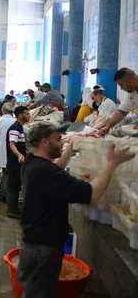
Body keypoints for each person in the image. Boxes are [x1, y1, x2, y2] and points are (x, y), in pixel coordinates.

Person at [17, 122, 135, 297]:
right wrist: (112, 163)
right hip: (43, 253)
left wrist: (71, 147)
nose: (62, 142)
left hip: (33, 247)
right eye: (58, 140)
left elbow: (55, 168)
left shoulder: (31, 163)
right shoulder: (48, 173)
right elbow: (92, 194)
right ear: (45, 142)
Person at [5, 106, 29, 219]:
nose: (28, 116)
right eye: (26, 114)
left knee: (15, 185)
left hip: (16, 161)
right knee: (13, 187)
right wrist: (19, 154)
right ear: (20, 115)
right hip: (14, 162)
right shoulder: (15, 128)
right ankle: (12, 211)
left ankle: (13, 208)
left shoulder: (20, 128)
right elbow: (12, 144)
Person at [100, 68, 138, 135]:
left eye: (121, 85)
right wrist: (108, 126)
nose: (121, 88)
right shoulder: (131, 93)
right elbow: (121, 112)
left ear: (130, 82)